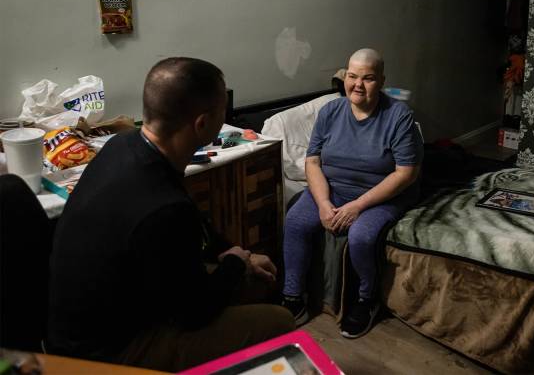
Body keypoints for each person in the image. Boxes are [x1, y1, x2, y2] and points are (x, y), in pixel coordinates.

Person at [47, 57, 294, 372]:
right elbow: (194, 312)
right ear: (202, 124)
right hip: (104, 352)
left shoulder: (123, 146)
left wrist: (234, 253)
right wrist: (235, 262)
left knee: (255, 283)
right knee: (279, 322)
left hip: (88, 322)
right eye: (223, 111)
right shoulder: (162, 209)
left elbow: (194, 225)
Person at [281, 48, 423, 339]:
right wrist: (322, 203)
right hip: (332, 188)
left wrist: (357, 206)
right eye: (352, 76)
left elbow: (406, 173)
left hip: (379, 194)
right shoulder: (330, 111)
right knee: (296, 222)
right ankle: (293, 297)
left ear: (381, 81)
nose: (358, 84)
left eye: (368, 78)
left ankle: (367, 299)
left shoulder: (399, 116)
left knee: (361, 236)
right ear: (344, 77)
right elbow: (312, 161)